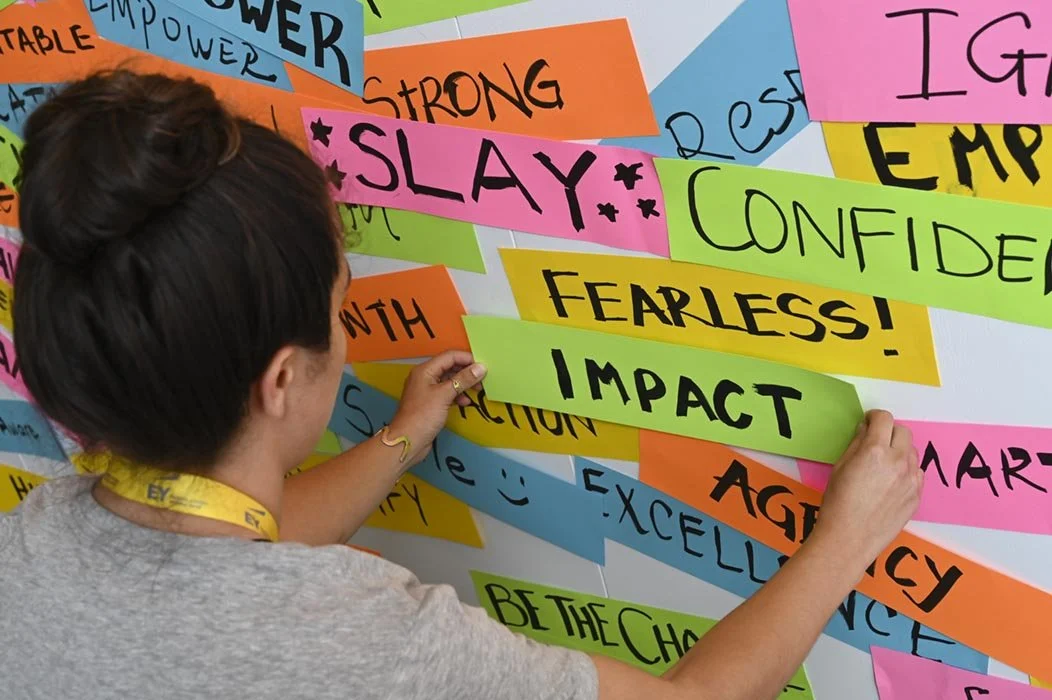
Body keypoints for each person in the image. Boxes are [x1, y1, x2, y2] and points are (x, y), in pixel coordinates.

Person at [0, 70, 922, 700]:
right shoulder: (374, 644)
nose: (348, 336)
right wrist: (847, 539)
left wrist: (403, 439)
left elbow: (231, 566)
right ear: (282, 379)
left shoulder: (31, 542)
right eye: (340, 309)